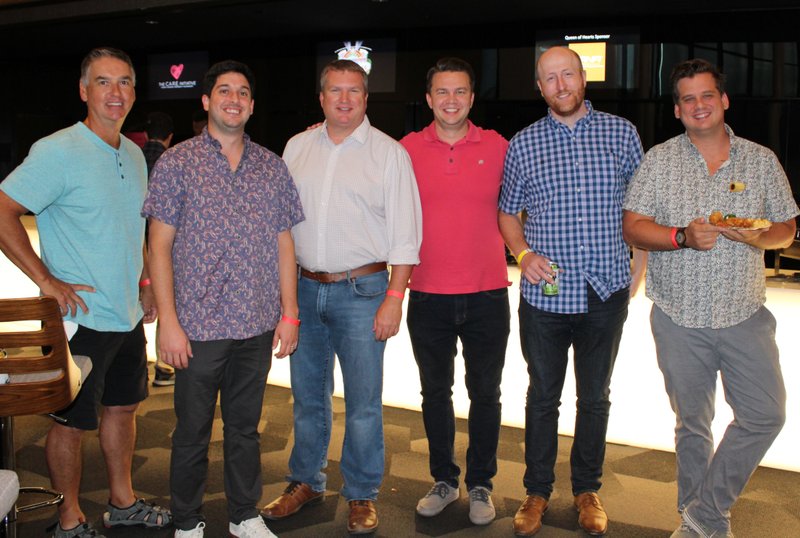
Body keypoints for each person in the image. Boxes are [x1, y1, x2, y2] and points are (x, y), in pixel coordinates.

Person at [622, 58, 797, 538]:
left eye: (706, 95)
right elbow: (632, 225)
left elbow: (786, 228)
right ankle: (700, 523)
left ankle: (704, 512)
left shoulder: (760, 160)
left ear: (723, 100)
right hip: (679, 317)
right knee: (693, 425)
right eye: (687, 99)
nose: (698, 105)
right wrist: (681, 236)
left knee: (765, 414)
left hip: (745, 314)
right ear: (678, 110)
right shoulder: (660, 159)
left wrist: (759, 236)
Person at [0, 47, 171, 538]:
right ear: (83, 90)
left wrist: (145, 284)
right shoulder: (57, 150)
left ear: (134, 92)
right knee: (71, 424)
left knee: (122, 408)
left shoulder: (135, 153)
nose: (115, 93)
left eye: (124, 83)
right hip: (81, 318)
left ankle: (122, 502)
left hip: (126, 313)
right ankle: (70, 517)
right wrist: (47, 281)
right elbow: (5, 210)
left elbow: (134, 227)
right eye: (103, 82)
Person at [260, 59, 422, 535]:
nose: (345, 99)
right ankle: (306, 481)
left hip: (365, 291)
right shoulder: (296, 147)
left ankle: (361, 493)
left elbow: (406, 236)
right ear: (322, 97)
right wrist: (283, 298)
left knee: (364, 402)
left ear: (366, 98)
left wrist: (394, 297)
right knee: (308, 398)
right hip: (305, 290)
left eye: (354, 91)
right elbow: (280, 226)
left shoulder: (389, 154)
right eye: (335, 91)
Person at [144, 60, 304, 538]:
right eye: (224, 91)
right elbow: (158, 246)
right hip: (197, 327)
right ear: (207, 101)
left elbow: (284, 243)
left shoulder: (272, 167)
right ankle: (188, 521)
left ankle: (244, 515)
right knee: (191, 433)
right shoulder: (177, 163)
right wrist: (167, 322)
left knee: (245, 431)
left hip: (255, 324)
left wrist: (289, 313)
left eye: (242, 92)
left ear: (252, 106)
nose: (233, 99)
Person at [498, 46, 643, 537]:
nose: (560, 85)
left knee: (595, 397)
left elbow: (639, 212)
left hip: (606, 289)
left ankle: (587, 489)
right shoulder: (523, 144)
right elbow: (506, 211)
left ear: (583, 79)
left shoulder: (622, 134)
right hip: (546, 297)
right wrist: (521, 252)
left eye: (568, 75)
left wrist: (636, 272)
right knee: (542, 397)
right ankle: (537, 491)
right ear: (539, 88)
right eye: (550, 79)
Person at [398, 57, 510, 526]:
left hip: (487, 294)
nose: (451, 100)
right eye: (442, 92)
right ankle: (444, 479)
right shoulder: (404, 149)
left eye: (460, 91)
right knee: (434, 393)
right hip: (426, 293)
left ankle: (481, 482)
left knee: (485, 393)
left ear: (472, 97)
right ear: (428, 99)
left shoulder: (500, 146)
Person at [141, 110, 176, 387]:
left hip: (134, 247)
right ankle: (164, 367)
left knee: (134, 312)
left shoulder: (132, 156)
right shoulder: (172, 162)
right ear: (170, 136)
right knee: (166, 303)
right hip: (162, 246)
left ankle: (137, 369)